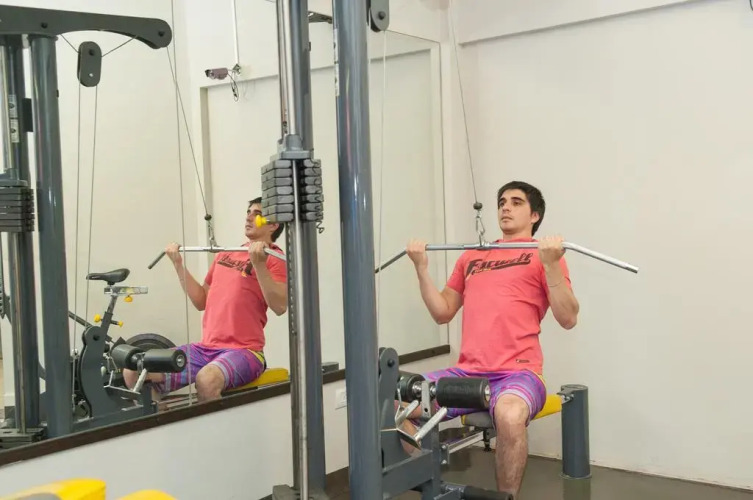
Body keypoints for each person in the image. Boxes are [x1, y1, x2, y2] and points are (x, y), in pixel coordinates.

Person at [403, 180, 579, 497]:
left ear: (535, 215)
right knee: (393, 404)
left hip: (519, 373)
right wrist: (421, 269)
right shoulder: (472, 256)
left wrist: (551, 263)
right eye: (501, 202)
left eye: (516, 202)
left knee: (510, 416)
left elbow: (568, 318)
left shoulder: (542, 256)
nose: (505, 207)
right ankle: (430, 483)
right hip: (467, 374)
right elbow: (442, 312)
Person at [123, 197, 288, 402]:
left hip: (245, 351)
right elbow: (201, 301)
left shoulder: (274, 258)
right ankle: (161, 417)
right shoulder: (226, 254)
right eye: (248, 212)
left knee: (207, 380)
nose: (249, 218)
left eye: (258, 214)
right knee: (134, 370)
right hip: (206, 349)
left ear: (273, 225)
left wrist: (259, 264)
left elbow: (280, 306)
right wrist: (178, 264)